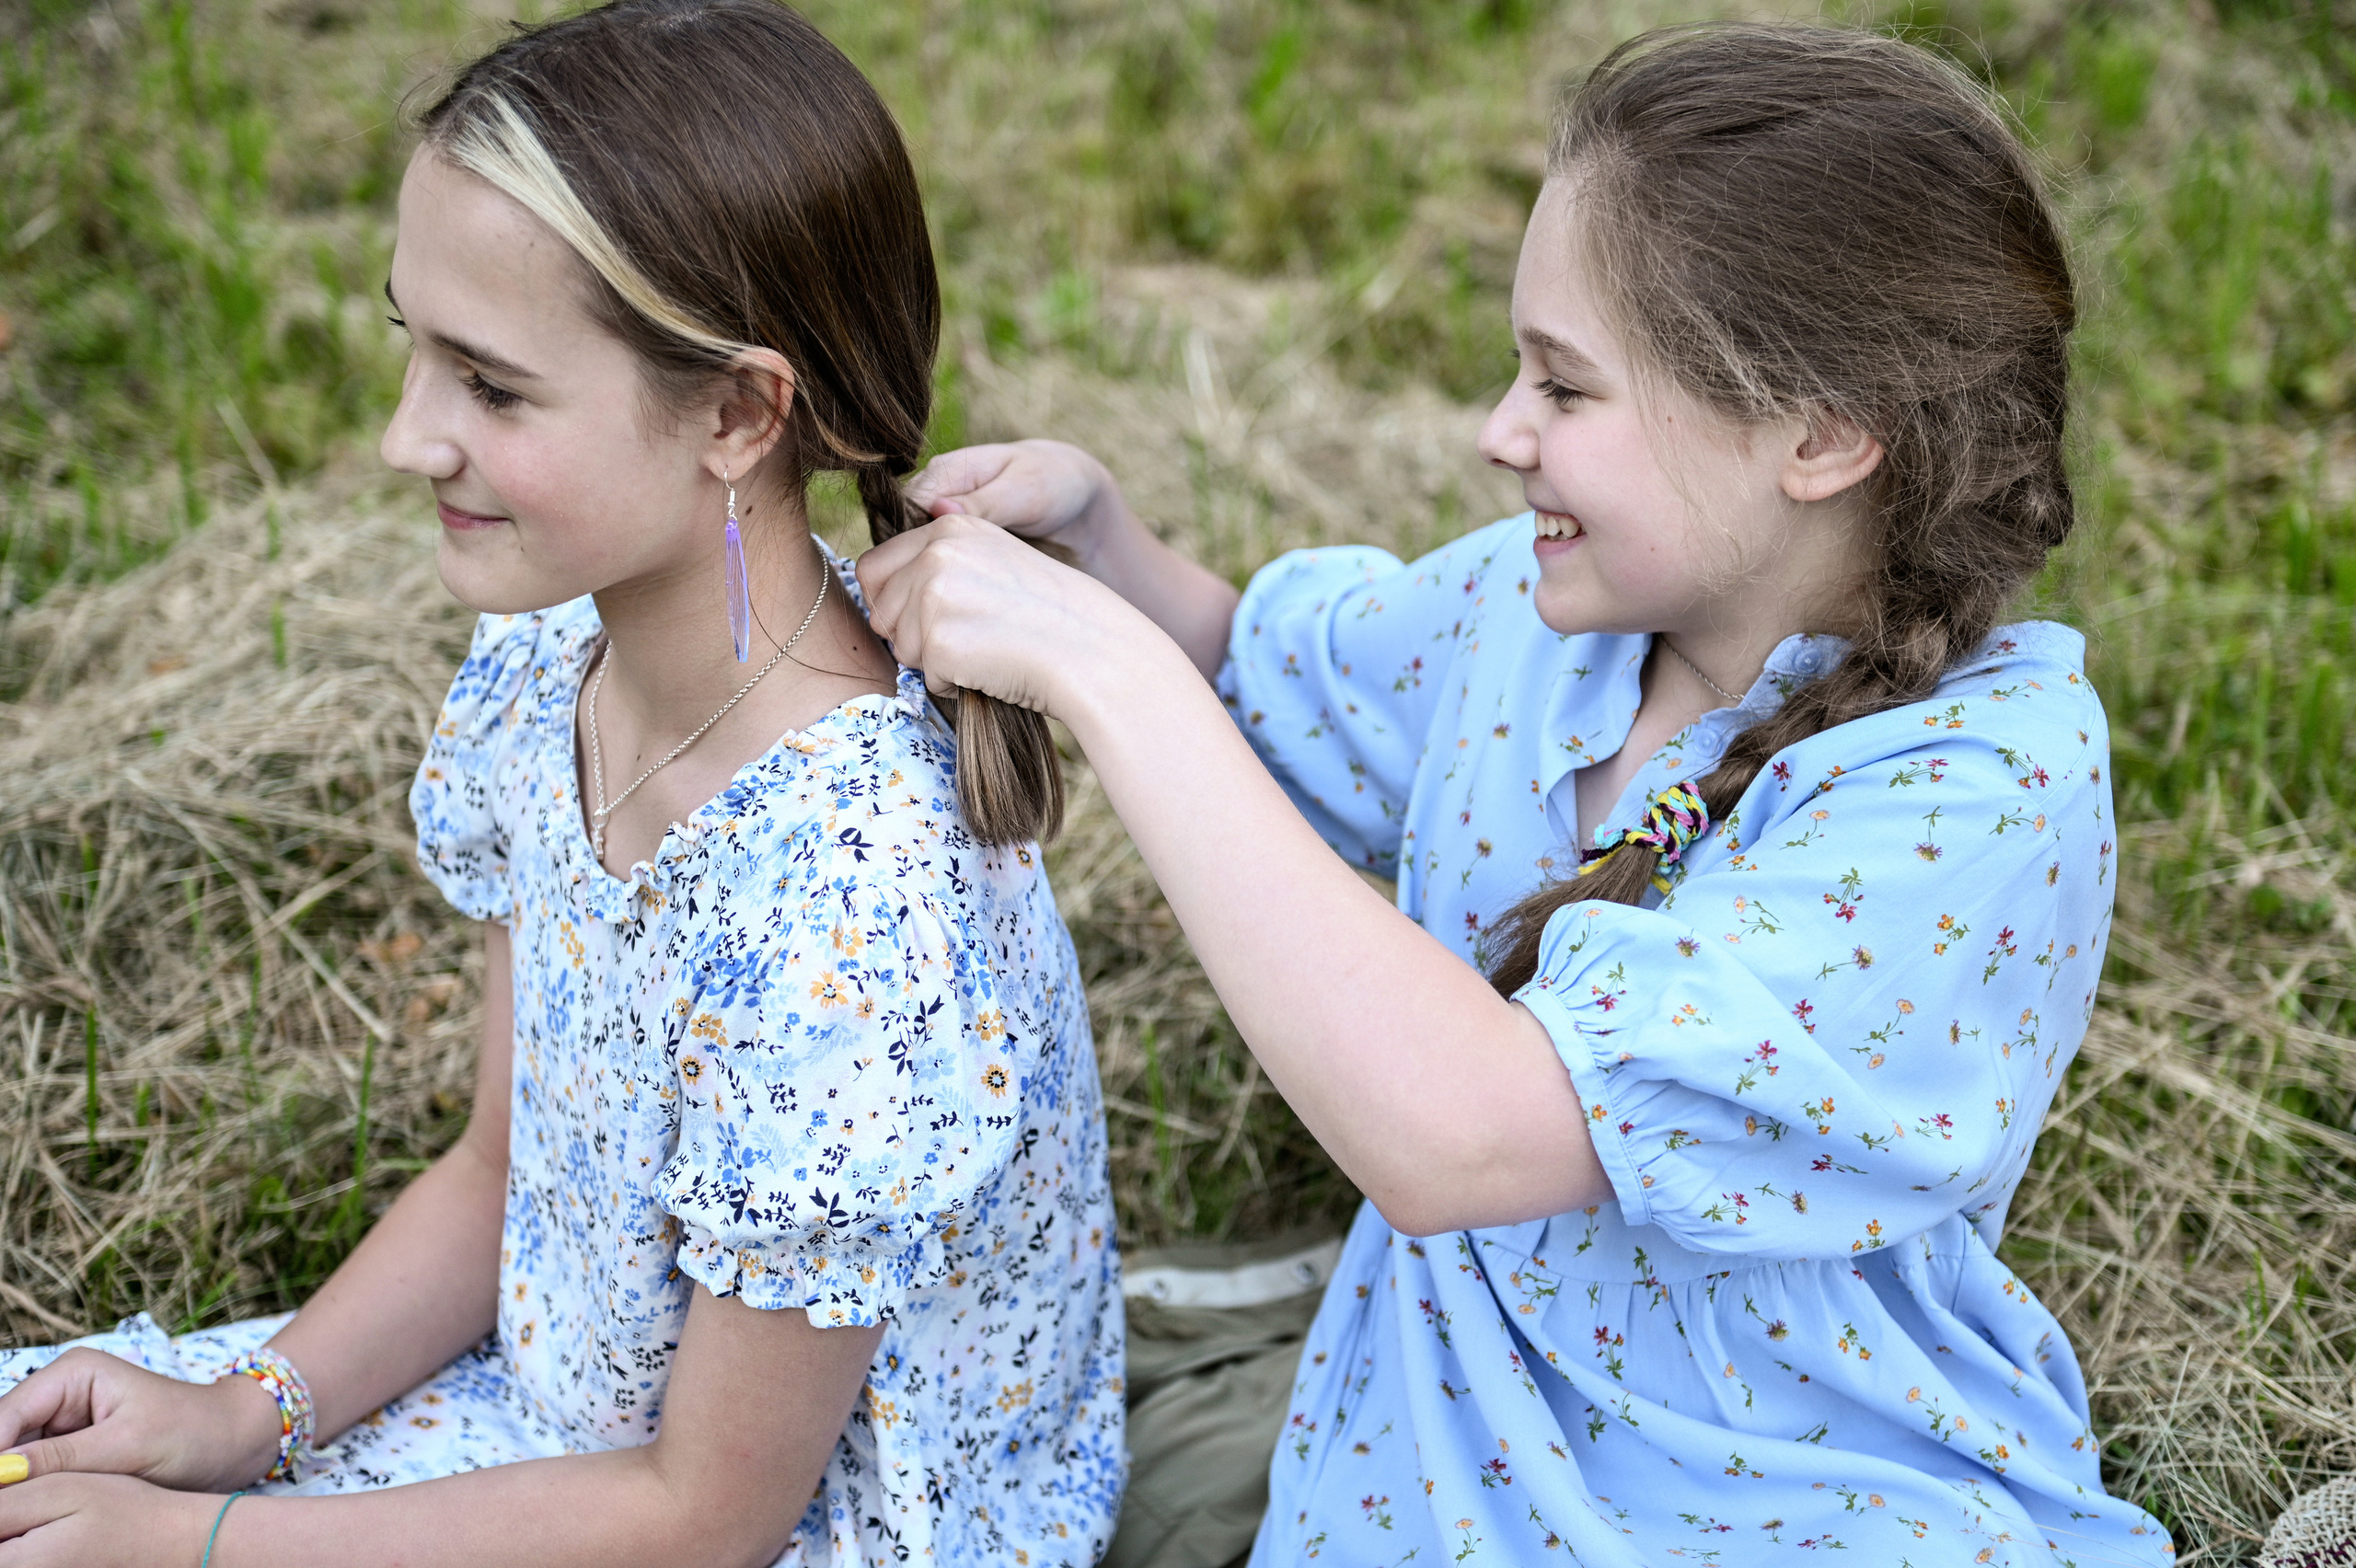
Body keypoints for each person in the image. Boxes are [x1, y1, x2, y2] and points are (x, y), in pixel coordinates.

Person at [858, 23, 2175, 1566]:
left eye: (1566, 384)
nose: (1501, 431)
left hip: (1778, 1512)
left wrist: (1108, 680)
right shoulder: (1545, 621)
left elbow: (1459, 1136)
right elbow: (1270, 674)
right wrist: (1109, 553)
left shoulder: (1976, 798)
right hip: (1412, 1479)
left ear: (1816, 436)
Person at [0, 5, 1122, 1565]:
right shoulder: (552, 668)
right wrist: (245, 1417)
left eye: (494, 388)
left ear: (738, 413)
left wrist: (189, 1549)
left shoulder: (849, 910)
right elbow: (501, 1165)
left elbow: (706, 1520)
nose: (407, 440)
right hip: (573, 1435)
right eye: (415, 348)